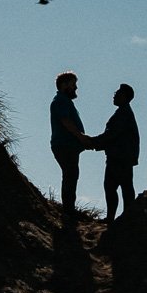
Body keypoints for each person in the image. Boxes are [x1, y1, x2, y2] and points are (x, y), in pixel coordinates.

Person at [87, 82, 140, 223]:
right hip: (119, 156)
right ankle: (119, 217)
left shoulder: (123, 114)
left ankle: (122, 218)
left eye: (118, 93)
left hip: (120, 157)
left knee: (118, 187)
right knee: (117, 186)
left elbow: (111, 135)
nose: (114, 95)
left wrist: (92, 142)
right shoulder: (123, 113)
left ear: (125, 97)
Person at [49, 71, 96, 223]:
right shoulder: (61, 101)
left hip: (68, 146)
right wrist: (81, 137)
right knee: (70, 175)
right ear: (64, 85)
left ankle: (69, 210)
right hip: (64, 145)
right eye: (73, 84)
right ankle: (68, 211)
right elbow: (66, 121)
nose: (75, 88)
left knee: (71, 175)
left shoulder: (65, 101)